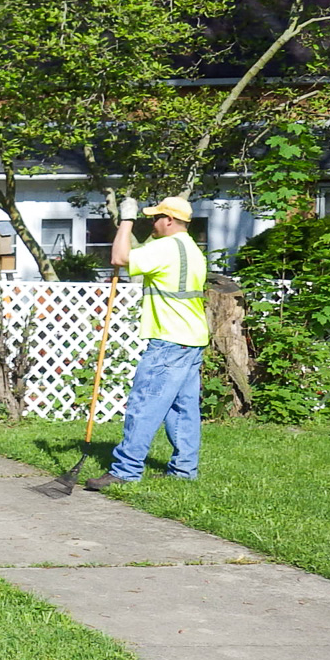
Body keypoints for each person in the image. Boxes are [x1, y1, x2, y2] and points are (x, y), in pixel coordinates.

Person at [87, 195, 209, 490]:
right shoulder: (191, 249)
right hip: (192, 339)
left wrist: (125, 220)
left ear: (169, 220)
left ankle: (126, 471)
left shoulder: (166, 247)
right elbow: (139, 256)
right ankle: (184, 470)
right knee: (183, 408)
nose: (151, 223)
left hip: (169, 340)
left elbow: (119, 257)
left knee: (144, 404)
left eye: (155, 218)